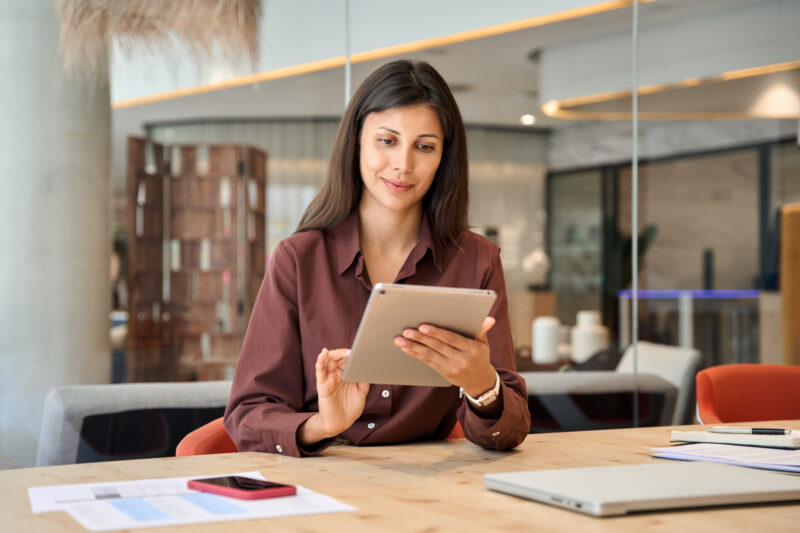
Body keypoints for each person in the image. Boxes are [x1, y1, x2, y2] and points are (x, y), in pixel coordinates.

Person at [224, 59, 530, 457]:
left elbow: (511, 431)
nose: (404, 164)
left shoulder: (477, 261)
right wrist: (321, 425)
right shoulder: (298, 259)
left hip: (428, 494)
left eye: (425, 146)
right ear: (356, 142)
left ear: (443, 158)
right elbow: (247, 414)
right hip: (318, 489)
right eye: (387, 140)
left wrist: (482, 386)